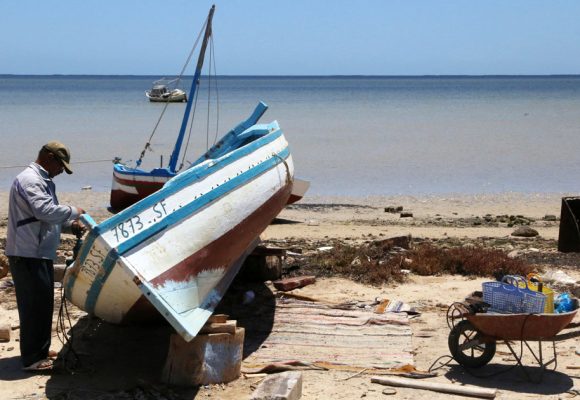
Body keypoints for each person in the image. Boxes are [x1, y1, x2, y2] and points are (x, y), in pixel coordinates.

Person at [5, 141, 85, 371]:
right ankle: (32, 359)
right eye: (60, 165)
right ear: (48, 157)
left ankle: (39, 350)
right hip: (27, 253)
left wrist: (71, 226)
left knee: (42, 304)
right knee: (33, 306)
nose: (61, 171)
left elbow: (47, 218)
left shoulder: (43, 181)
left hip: (38, 253)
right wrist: (75, 210)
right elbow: (45, 211)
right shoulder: (31, 180)